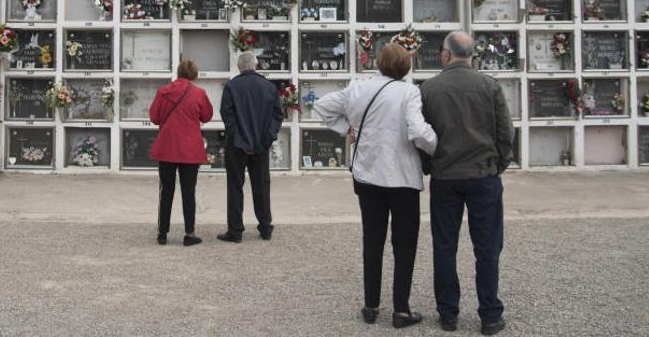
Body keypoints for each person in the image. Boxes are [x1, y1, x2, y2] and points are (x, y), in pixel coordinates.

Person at [314, 43, 437, 329]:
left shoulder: (358, 88)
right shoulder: (409, 92)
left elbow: (322, 107)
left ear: (380, 63)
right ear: (405, 67)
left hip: (368, 176)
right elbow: (419, 132)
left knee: (373, 240)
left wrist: (348, 130)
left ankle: (371, 306)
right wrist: (436, 145)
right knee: (404, 245)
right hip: (402, 179)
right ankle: (401, 310)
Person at [420, 31, 512, 336]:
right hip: (483, 176)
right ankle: (489, 316)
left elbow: (422, 136)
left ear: (446, 55)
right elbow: (505, 132)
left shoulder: (430, 89)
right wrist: (499, 164)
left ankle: (448, 314)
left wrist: (428, 166)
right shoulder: (490, 86)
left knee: (445, 246)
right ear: (472, 55)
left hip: (446, 177)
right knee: (487, 248)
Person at [217, 51, 284, 243]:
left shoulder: (231, 86)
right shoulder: (269, 87)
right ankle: (265, 228)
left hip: (236, 147)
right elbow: (277, 116)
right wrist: (265, 140)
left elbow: (227, 116)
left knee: (235, 187)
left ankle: (235, 231)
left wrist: (240, 141)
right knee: (261, 187)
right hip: (261, 148)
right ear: (256, 66)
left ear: (239, 67)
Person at [149, 59, 213, 247]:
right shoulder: (199, 93)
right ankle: (189, 233)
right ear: (194, 75)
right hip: (190, 151)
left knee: (166, 191)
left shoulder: (163, 91)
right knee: (189, 191)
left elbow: (154, 117)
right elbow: (207, 116)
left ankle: (162, 234)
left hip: (167, 148)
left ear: (178, 72)